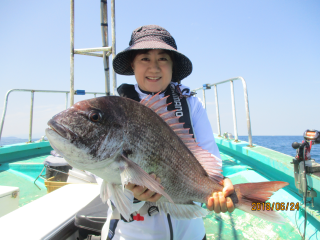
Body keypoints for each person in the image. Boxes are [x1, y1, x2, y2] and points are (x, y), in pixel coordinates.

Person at [102, 25, 235, 240]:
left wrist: (220, 185)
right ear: (132, 64)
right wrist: (134, 195)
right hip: (131, 234)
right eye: (144, 58)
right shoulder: (114, 110)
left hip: (189, 233)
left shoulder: (191, 104)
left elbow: (210, 160)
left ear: (172, 65)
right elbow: (103, 176)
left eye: (163, 59)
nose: (154, 68)